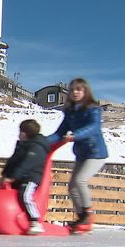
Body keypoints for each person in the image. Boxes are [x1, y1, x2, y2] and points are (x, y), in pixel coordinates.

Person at [46, 78, 108, 233]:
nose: (75, 92)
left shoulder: (93, 109)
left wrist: (76, 135)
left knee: (80, 181)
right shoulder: (70, 113)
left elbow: (93, 127)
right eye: (72, 89)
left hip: (96, 153)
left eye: (78, 89)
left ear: (85, 92)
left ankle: (88, 216)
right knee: (72, 188)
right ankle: (82, 218)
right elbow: (59, 133)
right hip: (81, 153)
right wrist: (41, 141)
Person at [0, 119, 50, 235]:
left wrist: (13, 176)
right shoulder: (22, 146)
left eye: (21, 131)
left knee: (25, 194)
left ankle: (35, 221)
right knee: (7, 193)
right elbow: (12, 161)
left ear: (25, 133)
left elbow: (27, 164)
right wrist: (5, 174)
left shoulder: (36, 147)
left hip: (31, 177)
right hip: (19, 177)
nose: (19, 134)